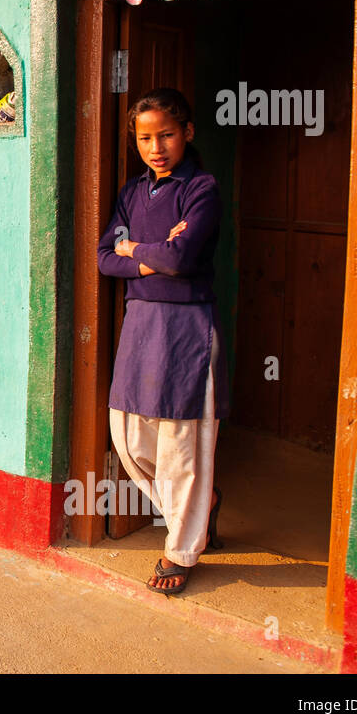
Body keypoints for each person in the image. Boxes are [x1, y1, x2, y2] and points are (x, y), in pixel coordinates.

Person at [96, 87, 229, 595]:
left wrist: (137, 250)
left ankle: (181, 549)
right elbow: (106, 258)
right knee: (130, 437)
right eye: (145, 138)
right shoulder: (132, 193)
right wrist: (151, 249)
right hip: (141, 321)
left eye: (167, 135)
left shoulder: (202, 190)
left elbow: (182, 260)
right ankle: (200, 506)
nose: (156, 147)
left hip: (188, 327)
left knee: (182, 445)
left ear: (188, 133)